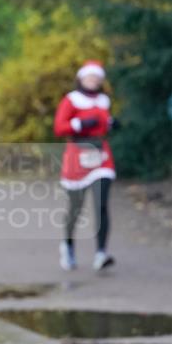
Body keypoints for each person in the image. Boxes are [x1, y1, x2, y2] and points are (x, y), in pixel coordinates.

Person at [54, 60, 117, 271]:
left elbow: (104, 123)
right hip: (78, 155)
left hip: (101, 155)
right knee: (76, 207)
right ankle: (68, 246)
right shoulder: (71, 100)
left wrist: (111, 124)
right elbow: (59, 128)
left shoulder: (104, 100)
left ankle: (101, 253)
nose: (94, 81)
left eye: (97, 78)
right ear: (81, 78)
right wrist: (79, 124)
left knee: (101, 204)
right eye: (90, 77)